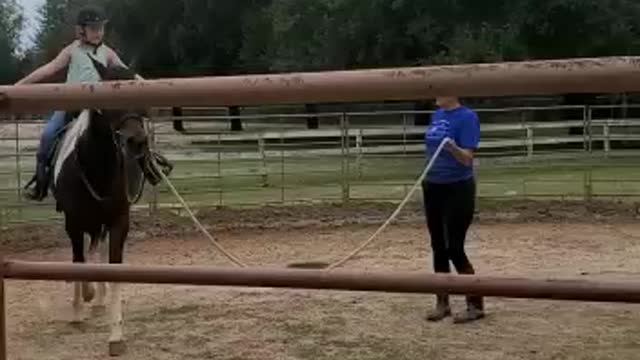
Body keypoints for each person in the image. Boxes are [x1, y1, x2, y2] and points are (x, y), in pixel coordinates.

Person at [15, 5, 142, 201]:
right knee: (48, 135)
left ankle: (148, 167)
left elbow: (128, 73)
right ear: (81, 30)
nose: (98, 32)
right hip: (71, 105)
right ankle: (41, 180)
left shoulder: (108, 53)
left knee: (129, 131)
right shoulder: (72, 50)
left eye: (100, 28)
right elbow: (48, 69)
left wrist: (152, 87)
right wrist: (18, 86)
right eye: (93, 28)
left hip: (99, 108)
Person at [421, 96, 483, 324]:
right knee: (438, 246)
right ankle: (442, 302)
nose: (435, 94)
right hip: (432, 184)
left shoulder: (467, 117)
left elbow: (467, 159)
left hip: (457, 187)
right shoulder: (436, 115)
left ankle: (475, 303)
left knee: (454, 247)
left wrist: (450, 146)